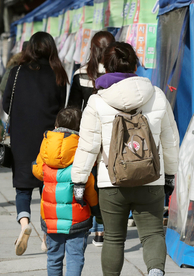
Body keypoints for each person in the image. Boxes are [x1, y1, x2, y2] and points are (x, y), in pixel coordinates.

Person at [71, 42, 179, 276]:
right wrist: (169, 174)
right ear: (135, 65)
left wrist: (79, 181)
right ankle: (155, 272)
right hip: (151, 180)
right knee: (152, 234)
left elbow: (88, 146)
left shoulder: (97, 101)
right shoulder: (157, 95)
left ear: (106, 66)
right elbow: (170, 141)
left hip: (112, 182)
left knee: (113, 238)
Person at [3, 32, 68, 256]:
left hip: (21, 137)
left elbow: (6, 104)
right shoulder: (58, 73)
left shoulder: (17, 71)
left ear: (29, 48)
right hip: (48, 139)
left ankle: (24, 223)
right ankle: (47, 237)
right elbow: (62, 108)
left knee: (22, 187)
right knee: (46, 188)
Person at [32, 107, 99, 276]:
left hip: (50, 216)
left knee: (53, 257)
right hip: (77, 217)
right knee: (75, 257)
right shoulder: (81, 147)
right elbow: (89, 182)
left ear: (57, 123)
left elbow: (38, 172)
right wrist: (96, 208)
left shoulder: (46, 143)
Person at [67, 31, 115, 247]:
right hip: (116, 135)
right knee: (111, 183)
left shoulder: (81, 74)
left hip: (90, 134)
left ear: (92, 50)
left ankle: (94, 226)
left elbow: (74, 111)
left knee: (91, 182)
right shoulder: (120, 73)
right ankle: (107, 227)